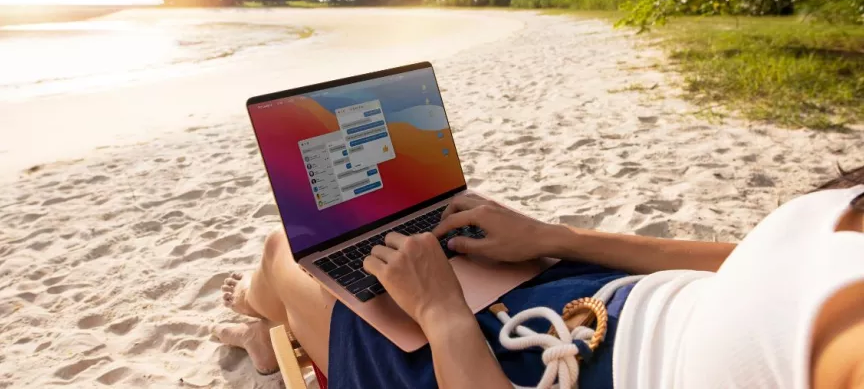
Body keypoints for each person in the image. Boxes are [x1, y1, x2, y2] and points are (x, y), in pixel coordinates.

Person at [214, 178, 864, 388]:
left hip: (536, 359)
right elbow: (754, 259)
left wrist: (442, 312)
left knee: (284, 252)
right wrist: (558, 238)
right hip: (599, 289)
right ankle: (271, 321)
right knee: (414, 236)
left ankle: (262, 320)